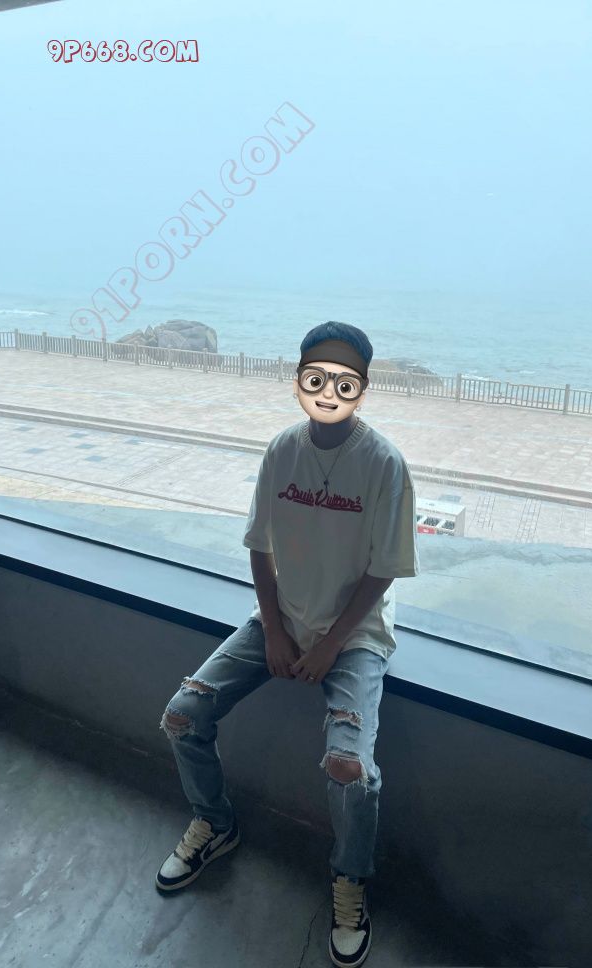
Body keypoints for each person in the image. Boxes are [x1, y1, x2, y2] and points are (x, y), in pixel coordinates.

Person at [156, 321, 420, 968]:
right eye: (316, 375)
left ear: (362, 386)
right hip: (280, 619)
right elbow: (260, 547)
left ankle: (350, 878)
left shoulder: (384, 465)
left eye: (344, 379)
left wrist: (329, 645)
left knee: (349, 768)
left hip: (355, 636)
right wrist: (275, 629)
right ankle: (216, 823)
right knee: (182, 714)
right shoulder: (282, 450)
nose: (328, 389)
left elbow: (383, 571)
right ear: (299, 378)